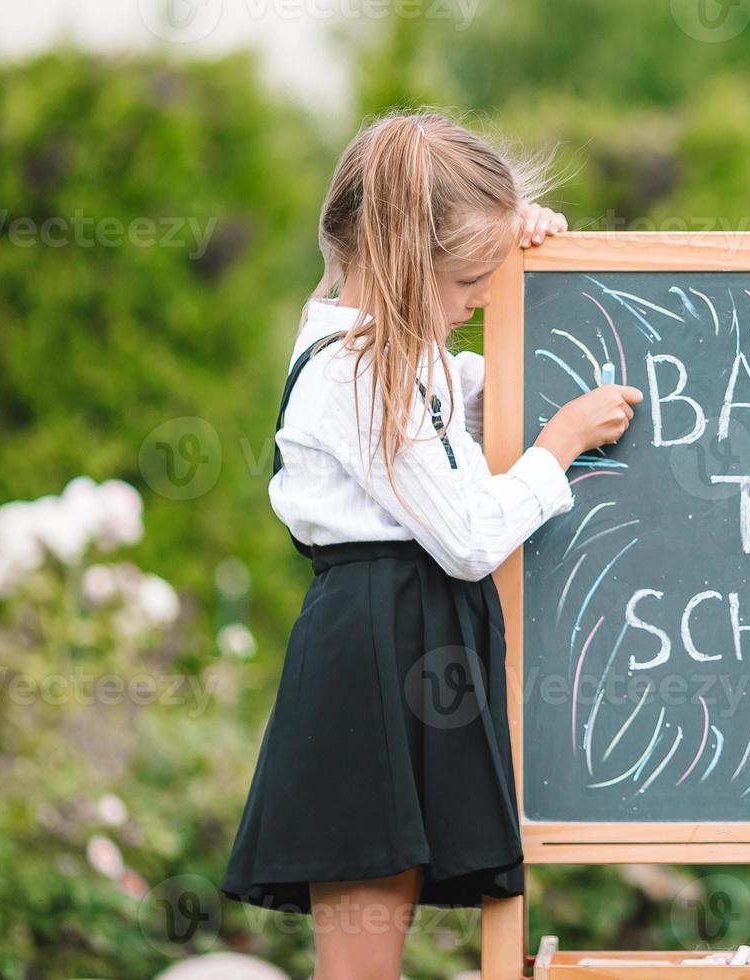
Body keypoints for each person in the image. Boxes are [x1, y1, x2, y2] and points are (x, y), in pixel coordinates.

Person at [220, 110, 642, 979]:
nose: (480, 298)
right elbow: (467, 536)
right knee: (363, 961)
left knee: (386, 926)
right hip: (375, 653)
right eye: (468, 280)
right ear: (406, 264)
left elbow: (471, 402)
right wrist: (557, 443)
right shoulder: (356, 368)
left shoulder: (397, 357)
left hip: (409, 637)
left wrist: (532, 262)